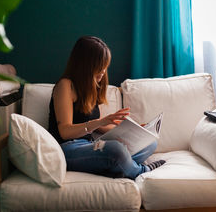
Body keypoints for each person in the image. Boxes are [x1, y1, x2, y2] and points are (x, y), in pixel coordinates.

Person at [48, 36, 165, 179]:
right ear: (85, 64)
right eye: (99, 65)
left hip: (89, 146)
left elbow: (99, 128)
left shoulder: (91, 87)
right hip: (67, 148)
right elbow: (65, 132)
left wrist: (134, 131)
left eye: (105, 65)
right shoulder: (65, 86)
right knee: (115, 150)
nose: (103, 71)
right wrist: (102, 121)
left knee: (150, 142)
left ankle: (117, 166)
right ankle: (141, 170)